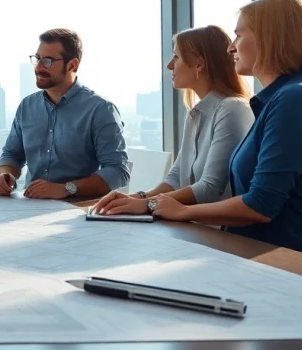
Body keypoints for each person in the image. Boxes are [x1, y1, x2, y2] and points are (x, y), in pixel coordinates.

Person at [106, 0, 302, 253]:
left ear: (269, 39)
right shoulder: (280, 99)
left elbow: (260, 204)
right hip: (258, 251)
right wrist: (147, 201)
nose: (231, 47)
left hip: (297, 260)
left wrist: (177, 210)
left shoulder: (297, 99)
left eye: (239, 36)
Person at [93, 26, 254, 214]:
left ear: (199, 64)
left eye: (176, 57)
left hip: (217, 232)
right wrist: (135, 198)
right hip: (192, 227)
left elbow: (209, 188)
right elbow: (176, 178)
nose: (170, 65)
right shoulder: (196, 113)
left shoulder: (231, 108)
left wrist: (147, 204)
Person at [0, 28, 129, 200]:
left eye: (48, 61)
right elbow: (12, 154)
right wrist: (6, 176)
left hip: (77, 212)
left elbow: (117, 171)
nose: (39, 67)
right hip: (30, 206)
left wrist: (66, 188)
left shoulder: (100, 110)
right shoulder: (27, 106)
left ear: (72, 65)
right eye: (37, 59)